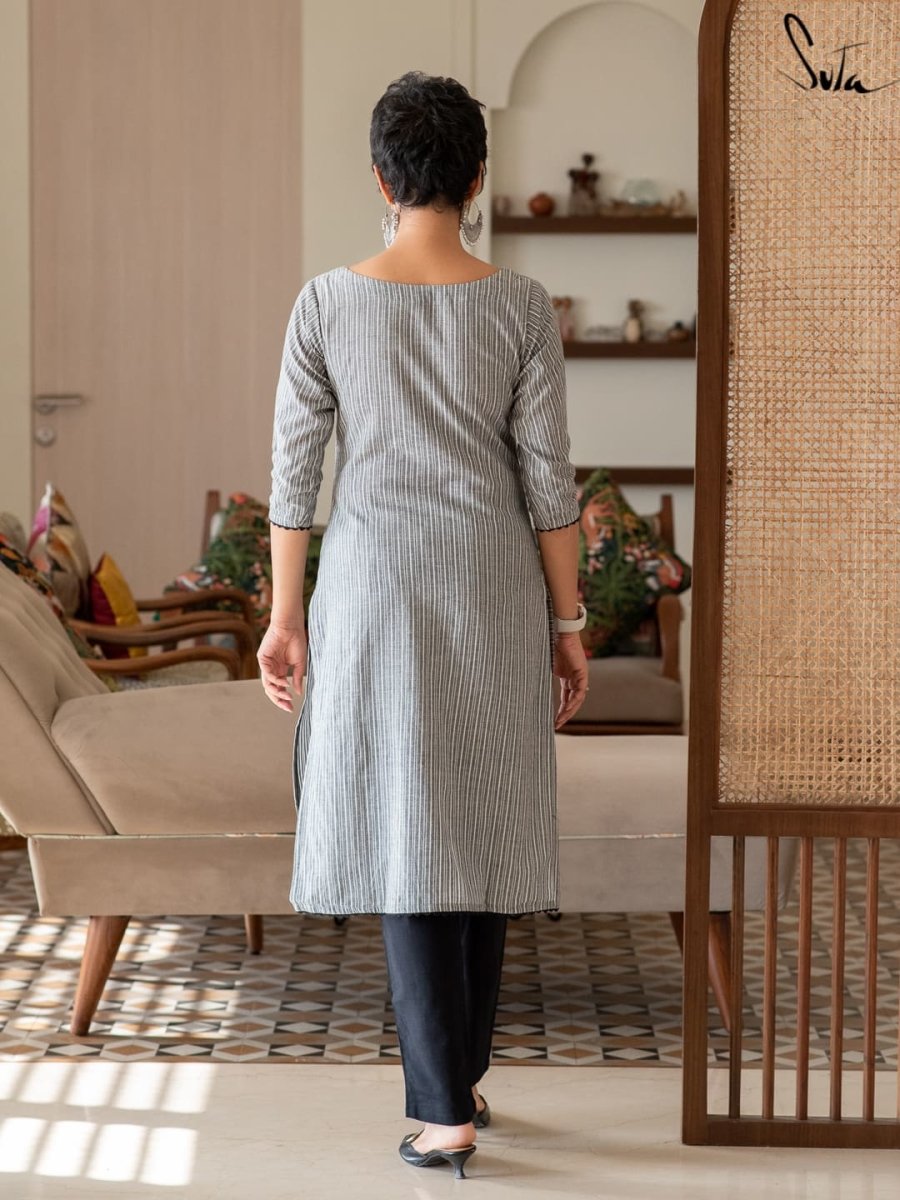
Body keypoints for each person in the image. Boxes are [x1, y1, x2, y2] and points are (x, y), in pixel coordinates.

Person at [258, 69, 588, 1180]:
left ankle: (445, 1109)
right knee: (482, 814)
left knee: (407, 824)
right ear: (478, 177)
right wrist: (569, 621)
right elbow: (550, 488)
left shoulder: (324, 304)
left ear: (380, 177)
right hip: (491, 585)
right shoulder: (522, 307)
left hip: (372, 589)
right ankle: (461, 1084)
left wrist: (285, 618)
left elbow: (294, 480)